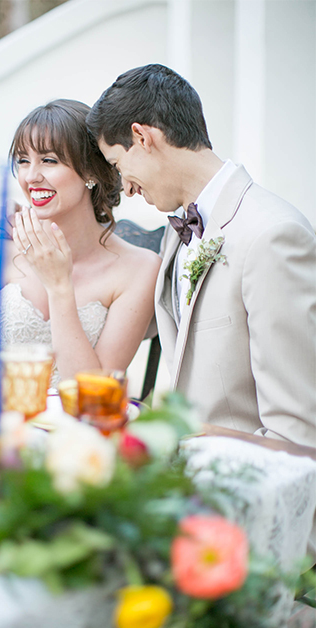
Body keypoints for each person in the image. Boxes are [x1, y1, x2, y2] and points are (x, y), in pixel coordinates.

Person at [87, 64, 316, 447]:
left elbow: (299, 436)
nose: (124, 187)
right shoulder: (178, 231)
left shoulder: (272, 236)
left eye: (116, 164)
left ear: (142, 137)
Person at [0, 99, 161, 384]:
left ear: (91, 171)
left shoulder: (141, 268)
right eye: (23, 160)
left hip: (83, 426)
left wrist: (59, 287)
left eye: (49, 161)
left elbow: (94, 392)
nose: (31, 177)